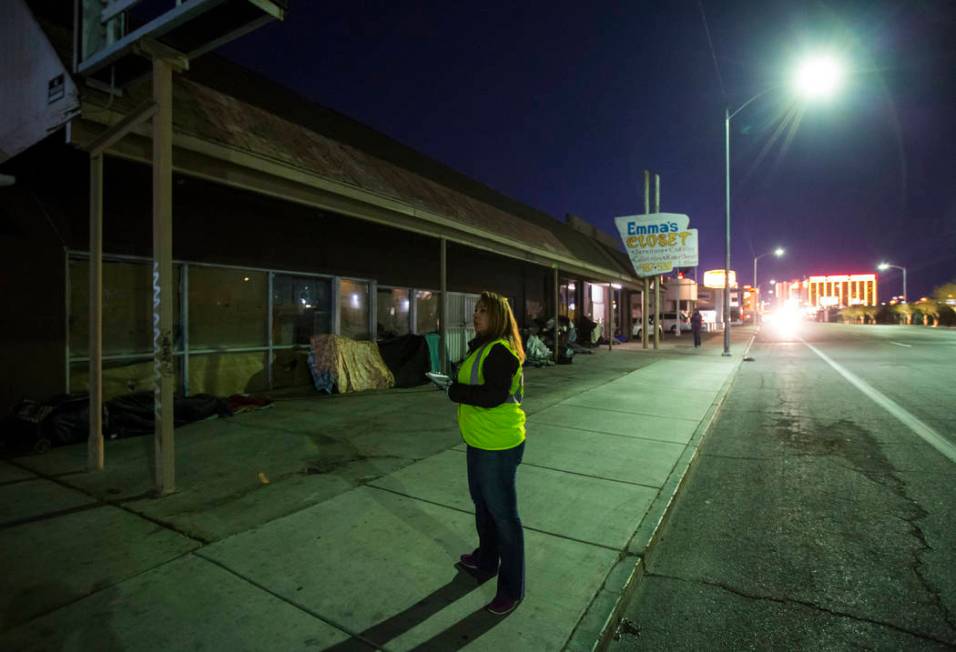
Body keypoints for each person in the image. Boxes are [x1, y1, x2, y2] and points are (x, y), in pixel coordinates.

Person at [447, 291, 527, 616]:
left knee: (504, 517)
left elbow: (493, 395)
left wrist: (455, 391)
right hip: (479, 441)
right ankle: (485, 560)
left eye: (482, 311)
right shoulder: (481, 347)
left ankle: (511, 589)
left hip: (499, 445)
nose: (475, 316)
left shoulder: (500, 350)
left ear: (496, 316)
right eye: (475, 310)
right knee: (483, 506)